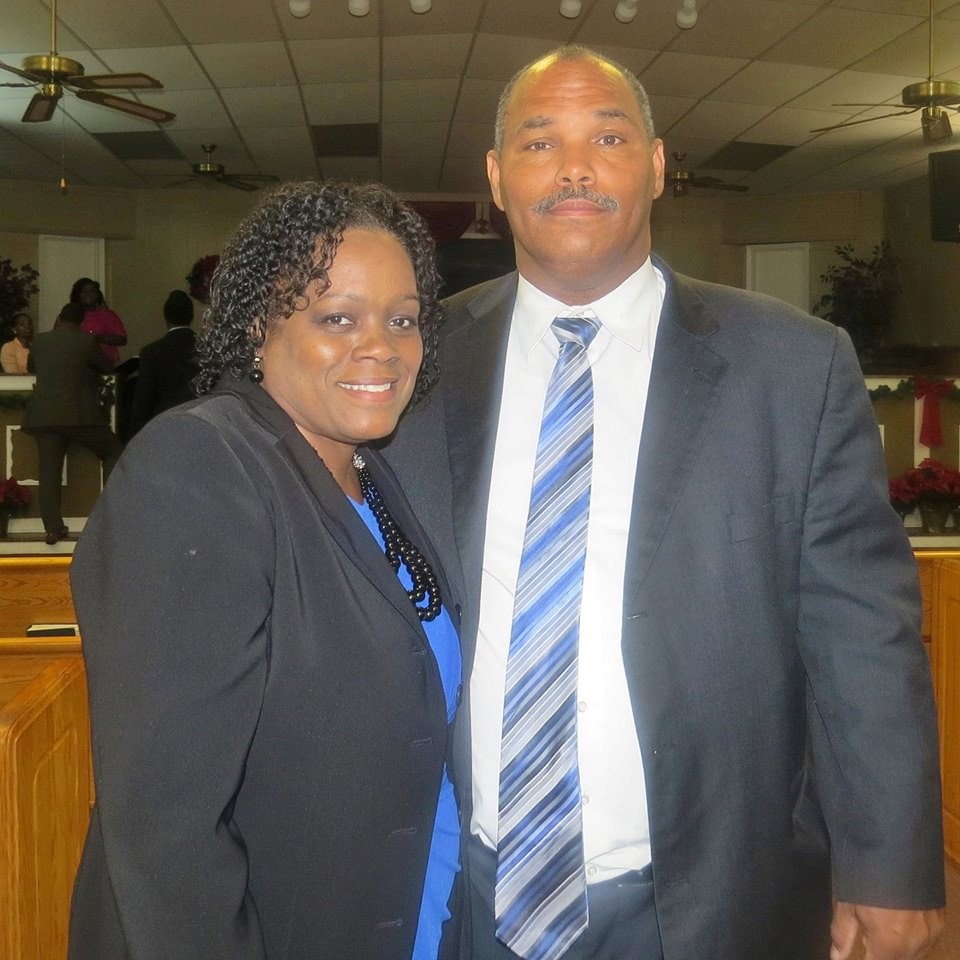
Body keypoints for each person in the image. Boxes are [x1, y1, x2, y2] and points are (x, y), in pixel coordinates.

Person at [383, 46, 946, 960]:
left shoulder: (793, 365)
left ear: (654, 166)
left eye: (607, 138)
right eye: (539, 142)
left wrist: (891, 864)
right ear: (495, 178)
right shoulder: (413, 361)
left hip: (712, 895)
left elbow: (861, 634)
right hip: (463, 894)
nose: (573, 168)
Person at [67, 180, 462, 960]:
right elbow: (167, 826)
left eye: (403, 319)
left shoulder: (372, 475)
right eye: (337, 317)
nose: (381, 346)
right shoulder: (200, 467)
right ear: (257, 325)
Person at [22, 302, 121, 544]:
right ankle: (109, 519)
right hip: (79, 415)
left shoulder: (40, 341)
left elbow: (31, 367)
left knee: (49, 471)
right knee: (113, 450)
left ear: (59, 318)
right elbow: (107, 366)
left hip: (44, 415)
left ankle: (53, 529)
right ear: (81, 322)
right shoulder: (85, 341)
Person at [128, 288, 198, 436]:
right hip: (199, 420)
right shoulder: (206, 349)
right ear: (191, 316)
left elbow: (143, 400)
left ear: (166, 317)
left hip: (163, 424)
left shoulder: (152, 352)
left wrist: (135, 435)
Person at [70, 276, 127, 367]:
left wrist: (100, 338)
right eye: (84, 291)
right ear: (77, 294)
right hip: (78, 364)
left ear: (97, 294)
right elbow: (59, 337)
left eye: (92, 291)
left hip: (105, 364)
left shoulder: (108, 315)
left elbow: (122, 339)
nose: (88, 294)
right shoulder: (70, 314)